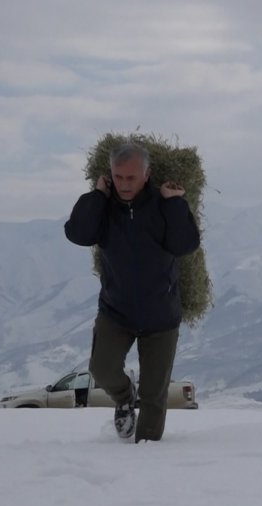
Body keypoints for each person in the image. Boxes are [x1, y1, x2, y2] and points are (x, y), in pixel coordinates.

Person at [64, 142, 200, 442]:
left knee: (154, 397)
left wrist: (176, 203)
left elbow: (185, 245)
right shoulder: (105, 208)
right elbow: (78, 233)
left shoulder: (162, 206)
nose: (124, 184)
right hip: (116, 311)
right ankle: (125, 397)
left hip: (161, 316)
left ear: (147, 174)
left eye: (131, 177)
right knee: (101, 370)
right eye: (118, 177)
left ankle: (146, 459)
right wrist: (98, 196)